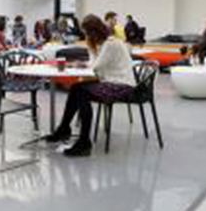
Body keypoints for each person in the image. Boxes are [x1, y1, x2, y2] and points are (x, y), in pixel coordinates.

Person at [40, 15, 135, 157]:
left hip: (122, 85)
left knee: (81, 91)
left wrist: (88, 55)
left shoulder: (111, 44)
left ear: (94, 31)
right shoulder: (104, 44)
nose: (86, 36)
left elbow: (96, 67)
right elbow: (95, 64)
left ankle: (84, 141)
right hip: (111, 81)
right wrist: (86, 59)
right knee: (76, 88)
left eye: (87, 33)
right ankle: (64, 129)